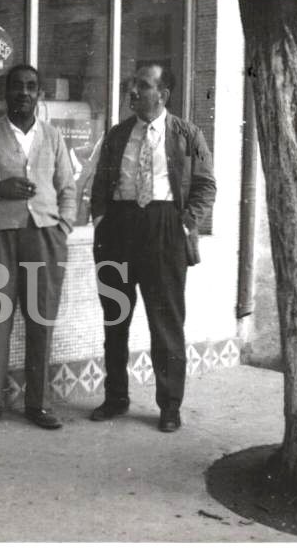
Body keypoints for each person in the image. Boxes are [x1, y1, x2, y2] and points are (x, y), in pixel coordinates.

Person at [89, 63, 216, 433]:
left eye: (142, 86)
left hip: (165, 231)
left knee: (166, 324)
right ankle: (115, 397)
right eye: (133, 85)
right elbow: (100, 184)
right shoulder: (117, 135)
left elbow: (206, 185)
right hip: (119, 230)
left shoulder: (188, 134)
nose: (133, 91)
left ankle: (170, 406)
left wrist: (184, 224)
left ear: (163, 94)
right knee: (116, 318)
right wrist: (101, 221)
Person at [0, 64, 77, 430]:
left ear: (39, 94)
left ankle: (39, 404)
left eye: (31, 86)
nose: (24, 92)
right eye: (17, 86)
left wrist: (62, 228)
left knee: (42, 319)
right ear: (6, 93)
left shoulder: (53, 137)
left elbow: (68, 188)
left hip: (44, 237)